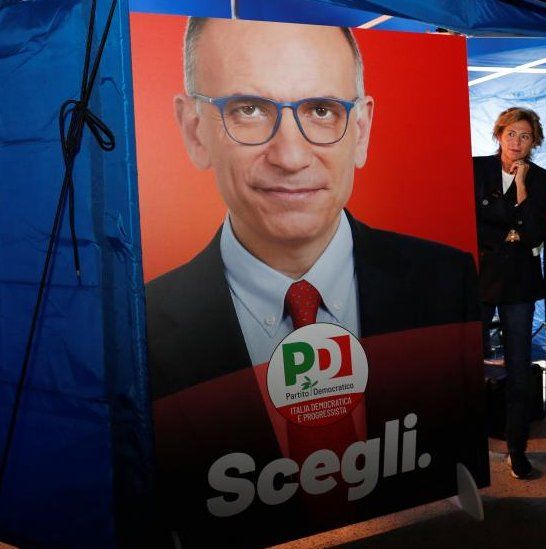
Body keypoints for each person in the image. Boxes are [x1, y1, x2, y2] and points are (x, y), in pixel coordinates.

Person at [146, 18, 482, 546]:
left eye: (322, 110)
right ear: (194, 130)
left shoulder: (447, 281)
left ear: (363, 130)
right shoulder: (136, 327)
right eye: (249, 110)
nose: (290, 156)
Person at [473, 107, 546, 479]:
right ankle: (463, 445)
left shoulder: (542, 178)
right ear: (498, 135)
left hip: (520, 284)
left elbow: (536, 235)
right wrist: (511, 229)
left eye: (524, 136)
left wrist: (520, 191)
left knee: (519, 368)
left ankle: (516, 448)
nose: (517, 142)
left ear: (533, 141)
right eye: (511, 134)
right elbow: (474, 222)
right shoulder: (477, 169)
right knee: (464, 363)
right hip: (478, 278)